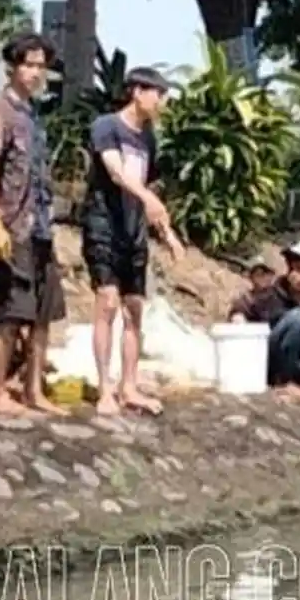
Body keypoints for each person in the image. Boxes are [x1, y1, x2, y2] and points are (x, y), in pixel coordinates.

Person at [81, 66, 185, 416]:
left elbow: (147, 191)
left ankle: (129, 386)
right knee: (107, 303)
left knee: (135, 310)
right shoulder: (106, 126)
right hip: (104, 225)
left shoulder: (148, 138)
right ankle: (104, 388)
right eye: (158, 93)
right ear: (137, 92)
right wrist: (149, 199)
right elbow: (116, 171)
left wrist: (166, 232)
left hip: (134, 231)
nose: (162, 102)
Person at [0, 32, 66, 415]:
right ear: (12, 67)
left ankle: (33, 391)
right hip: (13, 226)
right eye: (28, 64)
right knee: (12, 310)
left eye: (40, 66)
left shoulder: (34, 115)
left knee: (44, 311)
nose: (34, 72)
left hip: (41, 225)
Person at [230, 240, 300, 387]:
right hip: (271, 358)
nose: (293, 275)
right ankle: (284, 380)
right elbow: (244, 304)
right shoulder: (274, 292)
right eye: (291, 269)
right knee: (298, 318)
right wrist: (239, 317)